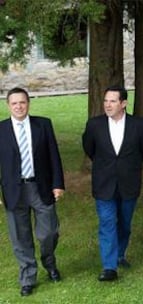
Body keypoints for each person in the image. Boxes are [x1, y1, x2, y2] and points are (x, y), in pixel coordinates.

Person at [82, 85, 143, 281]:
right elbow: (90, 148)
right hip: (104, 183)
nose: (107, 105)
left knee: (124, 223)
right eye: (105, 101)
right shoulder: (94, 125)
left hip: (129, 182)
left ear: (123, 103)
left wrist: (128, 165)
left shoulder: (139, 125)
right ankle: (109, 267)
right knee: (107, 222)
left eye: (112, 101)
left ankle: (120, 254)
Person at [0, 87, 65, 296]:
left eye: (23, 102)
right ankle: (28, 276)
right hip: (13, 190)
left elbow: (54, 156)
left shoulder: (43, 125)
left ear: (28, 103)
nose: (19, 106)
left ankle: (49, 262)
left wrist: (58, 184)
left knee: (49, 232)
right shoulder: (1, 130)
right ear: (8, 105)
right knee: (21, 237)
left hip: (40, 187)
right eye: (14, 103)